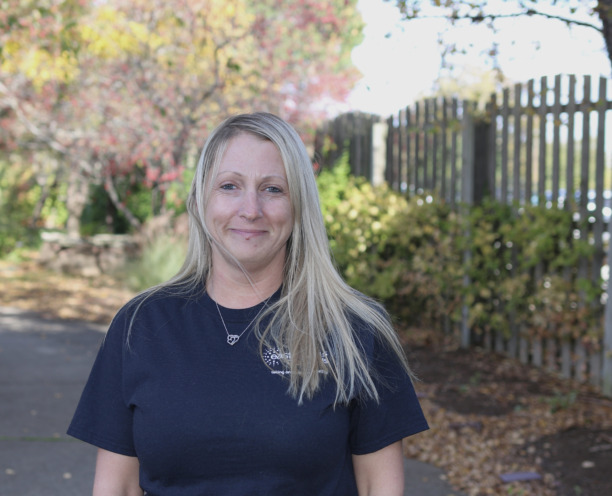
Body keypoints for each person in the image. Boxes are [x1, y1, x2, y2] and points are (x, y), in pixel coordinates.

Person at [68, 112, 429, 496]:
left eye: (273, 189)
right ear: (200, 199)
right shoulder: (140, 326)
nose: (251, 209)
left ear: (299, 205)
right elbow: (117, 487)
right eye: (229, 186)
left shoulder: (355, 330)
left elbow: (380, 487)